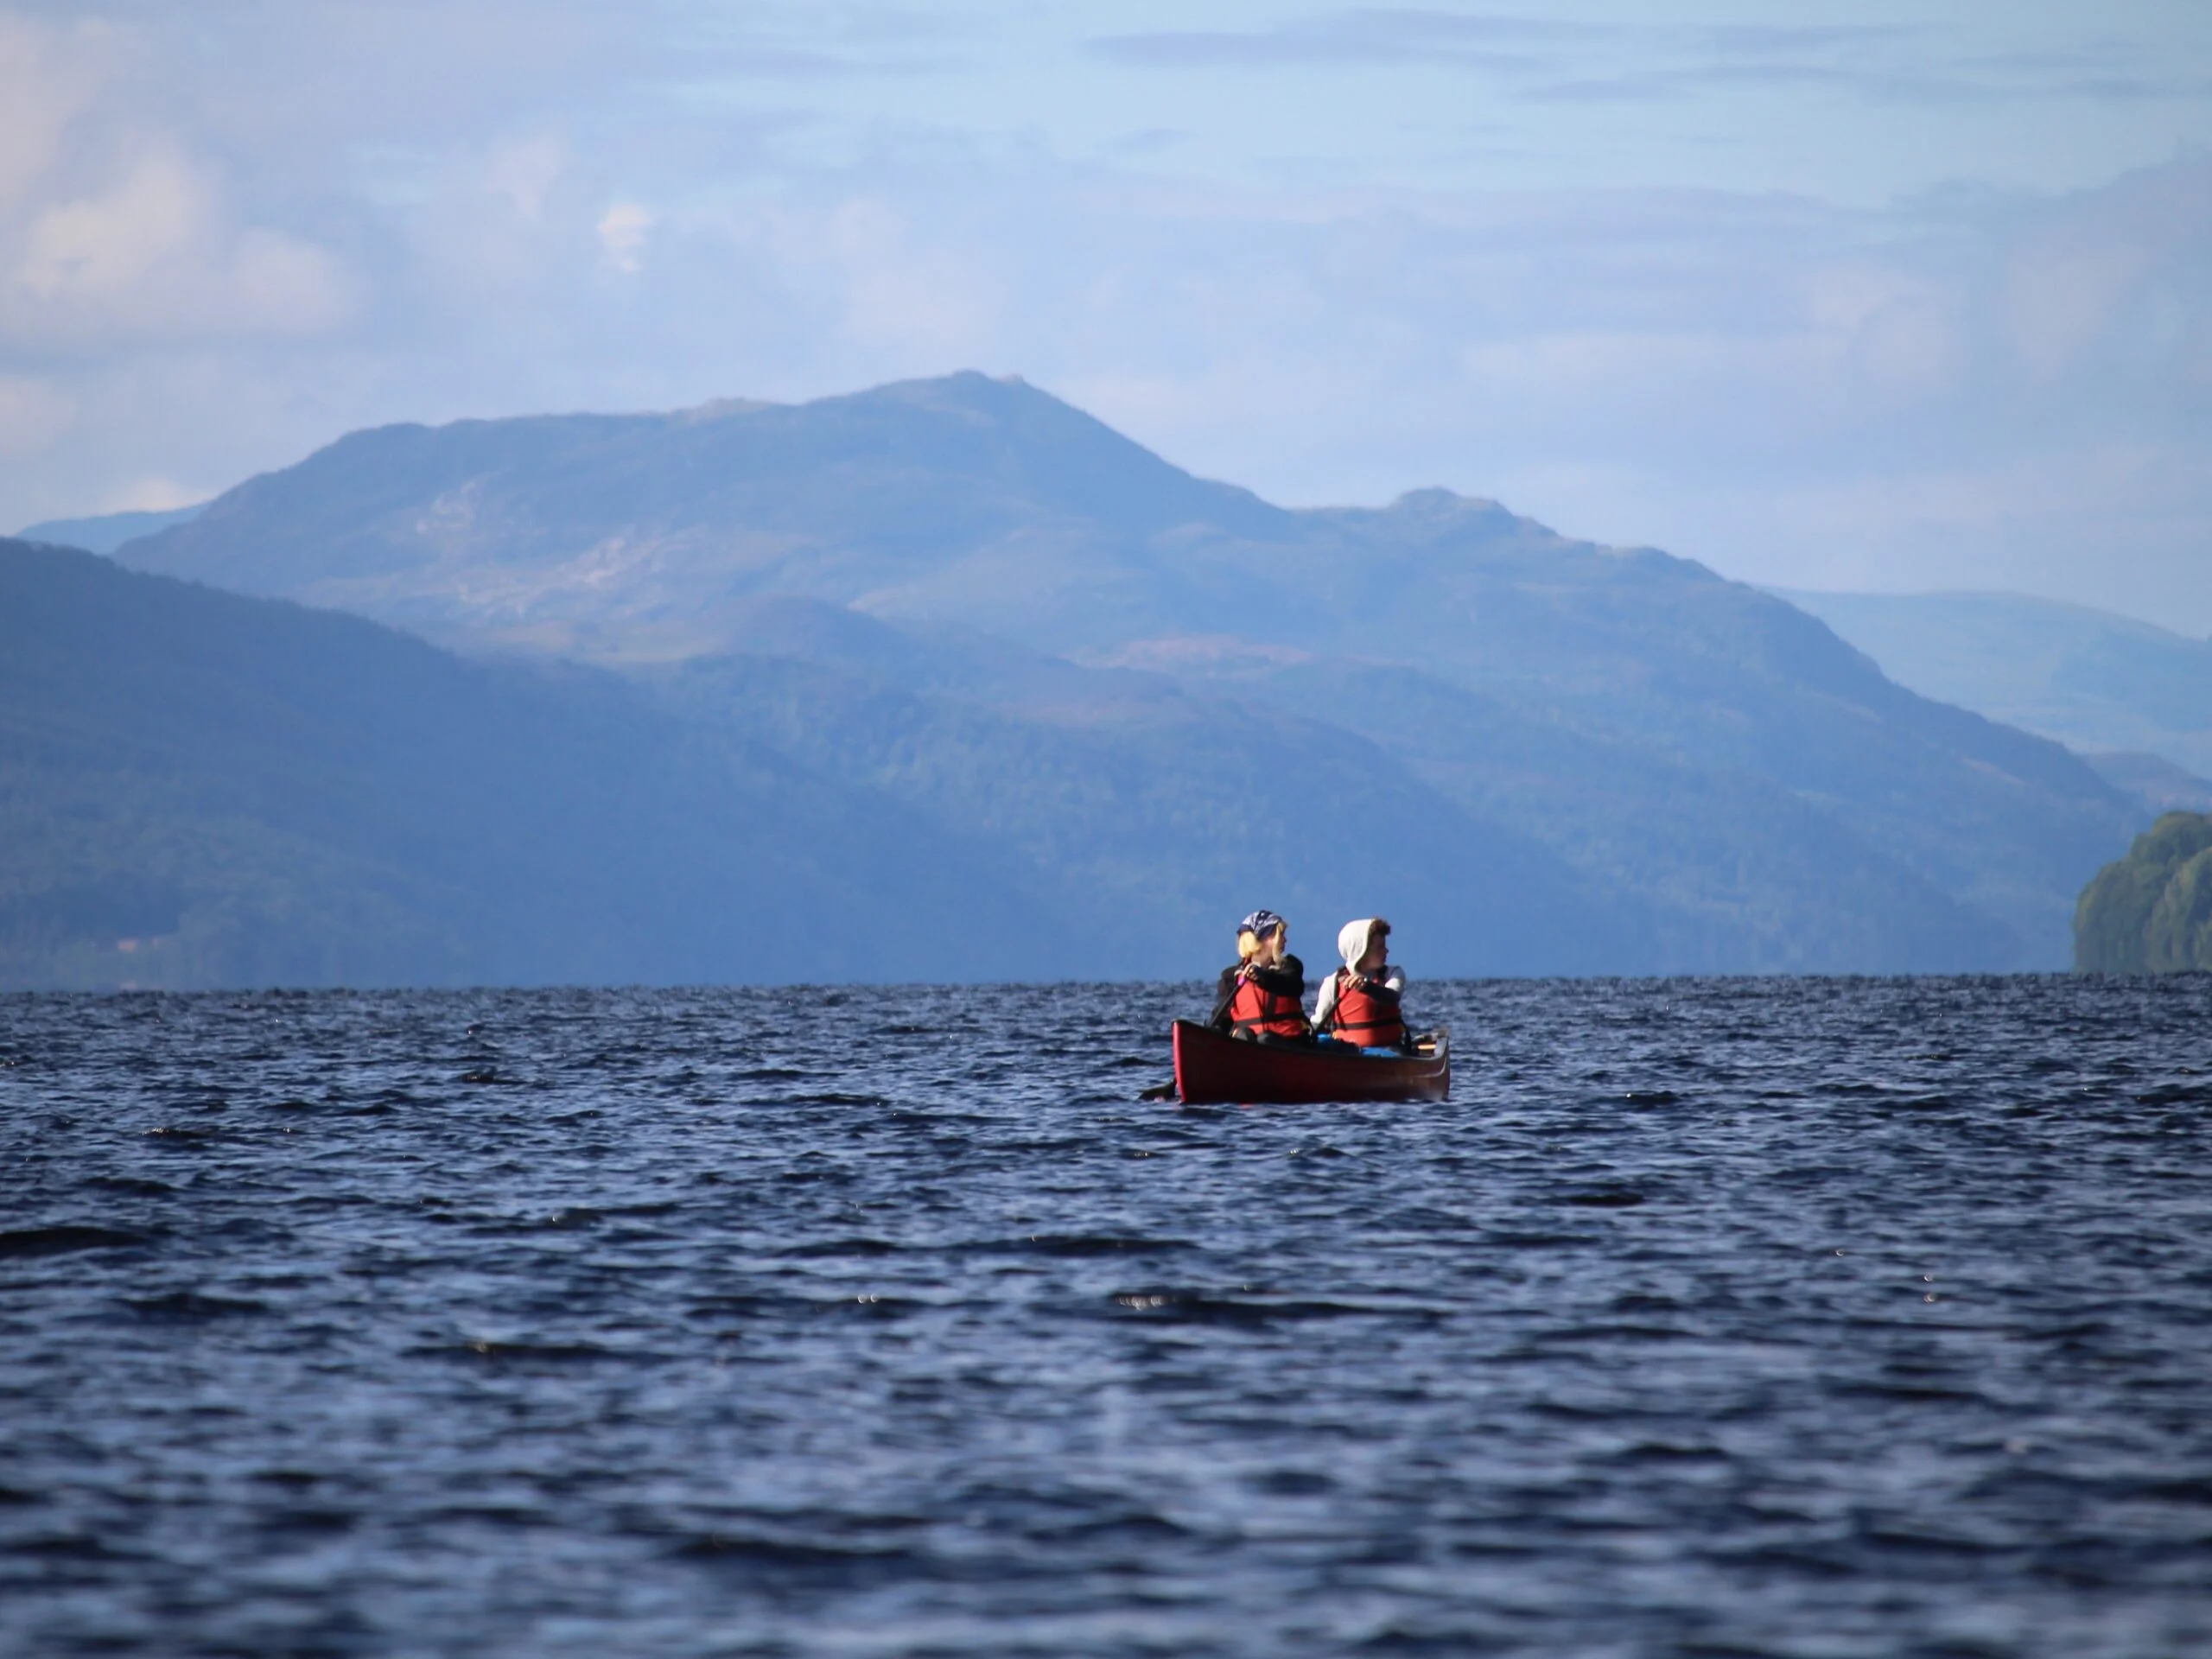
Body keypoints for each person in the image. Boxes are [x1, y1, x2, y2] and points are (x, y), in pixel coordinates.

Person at [1209, 910, 1311, 1043]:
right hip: (1247, 1042)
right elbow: (1223, 1018)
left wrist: (1261, 977)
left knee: (1265, 1039)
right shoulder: (1231, 977)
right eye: (1280, 934)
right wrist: (1210, 1033)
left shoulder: (1290, 966)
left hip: (1289, 1042)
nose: (1285, 940)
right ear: (1262, 939)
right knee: (1243, 1035)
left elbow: (1293, 986)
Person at [1313, 917, 1409, 1050]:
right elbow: (1317, 1023)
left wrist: (1367, 987)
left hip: (1390, 1050)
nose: (1386, 951)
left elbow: (1392, 997)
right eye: (1380, 947)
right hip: (1345, 1054)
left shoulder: (1393, 973)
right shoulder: (1332, 983)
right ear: (1362, 951)